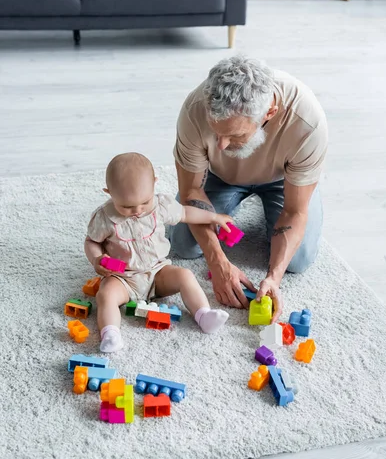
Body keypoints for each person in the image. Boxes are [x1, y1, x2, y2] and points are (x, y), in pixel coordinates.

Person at [170, 55, 328, 322]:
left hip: (283, 179)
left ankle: (270, 200)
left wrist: (273, 278)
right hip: (219, 177)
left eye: (235, 136)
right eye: (216, 132)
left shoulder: (307, 121)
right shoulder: (195, 109)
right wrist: (217, 261)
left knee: (297, 261)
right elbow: (191, 193)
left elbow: (295, 211)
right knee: (184, 245)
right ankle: (239, 198)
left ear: (269, 113)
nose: (221, 145)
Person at [85, 152, 232, 352]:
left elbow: (186, 213)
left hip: (158, 271)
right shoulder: (104, 217)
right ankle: (111, 334)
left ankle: (203, 315)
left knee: (185, 275)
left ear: (154, 183)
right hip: (123, 278)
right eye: (126, 206)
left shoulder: (160, 205)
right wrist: (97, 259)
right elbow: (91, 241)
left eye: (144, 202)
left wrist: (213, 217)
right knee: (106, 295)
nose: (137, 210)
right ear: (109, 193)